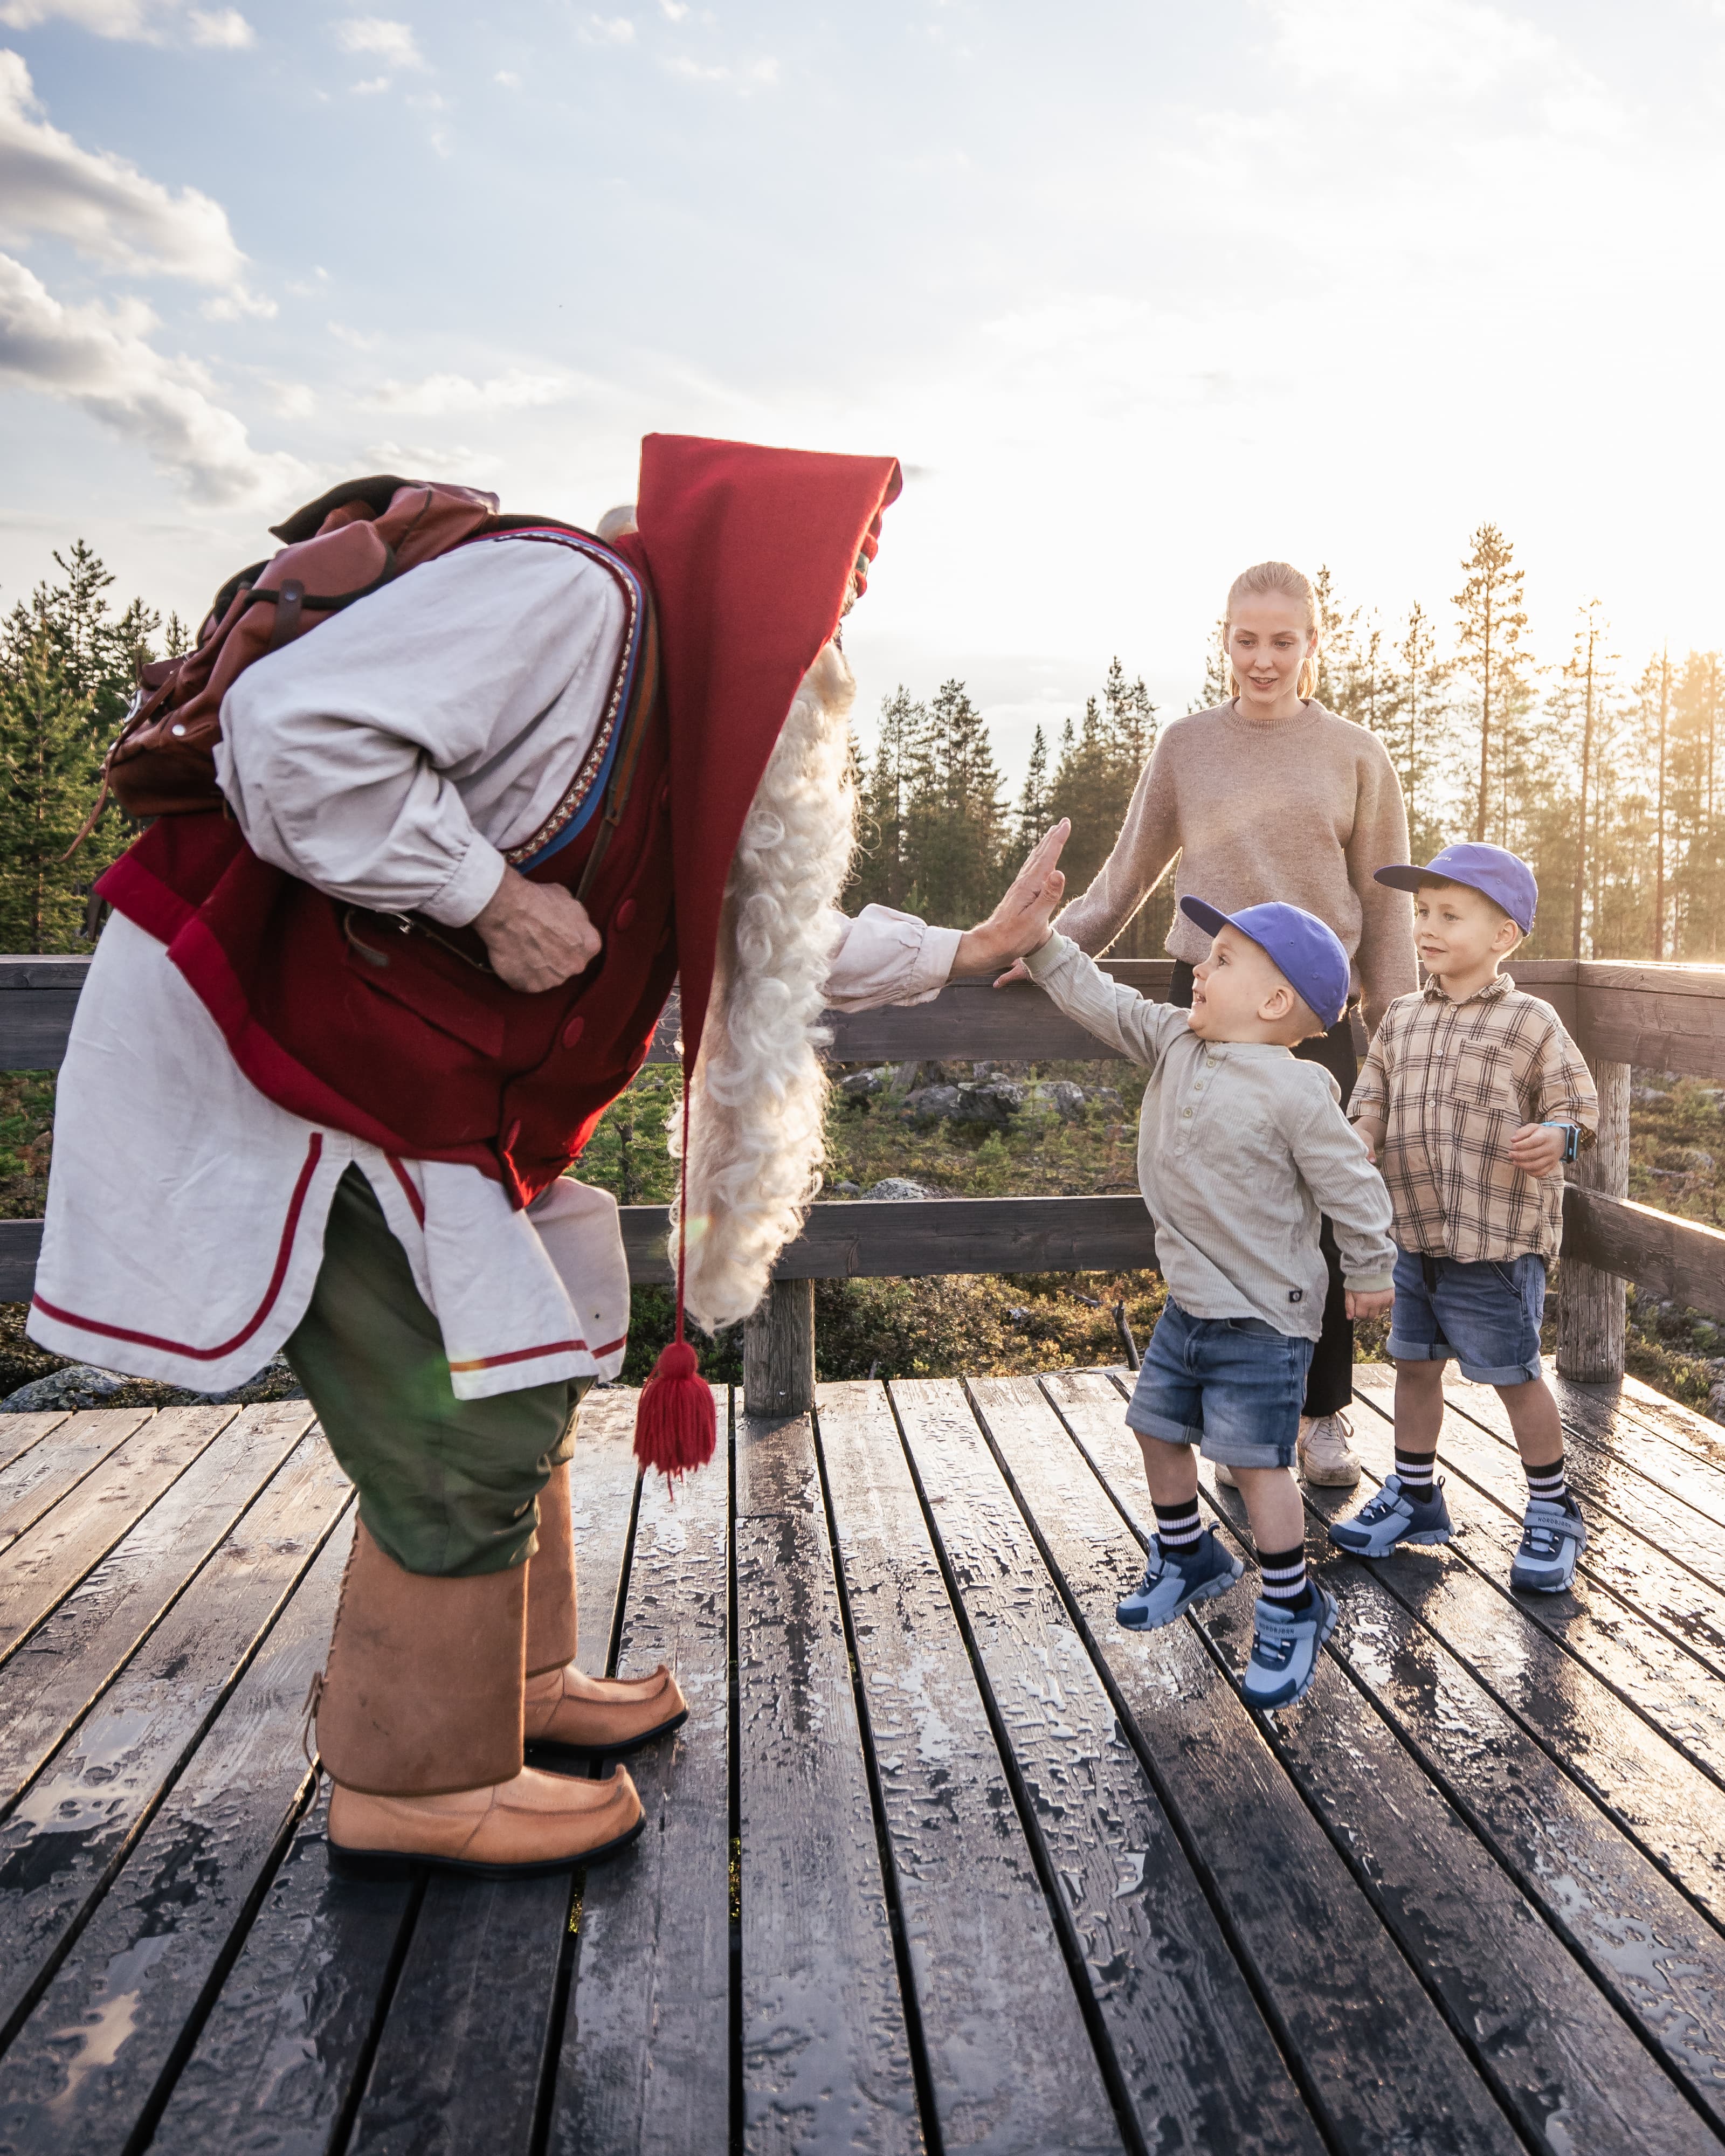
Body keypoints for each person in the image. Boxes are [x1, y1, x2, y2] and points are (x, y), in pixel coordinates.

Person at [30, 439, 988, 1881]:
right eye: (835, 592)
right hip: (279, 1057)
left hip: (398, 1082)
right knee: (463, 1410)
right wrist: (486, 898)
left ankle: (513, 1693)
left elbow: (763, 934)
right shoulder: (579, 602)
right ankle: (414, 1781)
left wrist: (973, 952)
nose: (837, 636)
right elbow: (289, 734)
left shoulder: (686, 709)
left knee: (525, 1356)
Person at [979, 830, 1397, 1708]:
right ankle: (1188, 1553)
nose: (1198, 971)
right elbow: (1100, 999)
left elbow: (1353, 1186)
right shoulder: (1174, 1041)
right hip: (1191, 1304)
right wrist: (1045, 944)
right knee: (1155, 1428)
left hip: (1269, 1316)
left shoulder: (1297, 1090)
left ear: (1277, 998)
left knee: (1256, 1465)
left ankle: (1291, 1604)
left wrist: (1369, 1269)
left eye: (1223, 960)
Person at [1043, 561, 1417, 1491]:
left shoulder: (1358, 755)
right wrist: (1040, 946)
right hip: (1207, 995)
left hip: (1313, 1011)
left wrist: (1402, 1031)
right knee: (1216, 1206)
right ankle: (1234, 1413)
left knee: (1319, 1210)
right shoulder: (1186, 746)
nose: (1262, 659)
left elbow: (1386, 906)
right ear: (1225, 640)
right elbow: (1123, 878)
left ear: (1312, 646)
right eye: (1246, 639)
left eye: (1282, 641)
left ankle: (1322, 1413)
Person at [1328, 844, 1599, 1593]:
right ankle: (1416, 1495)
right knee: (1413, 1367)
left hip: (1496, 1237)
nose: (1427, 926)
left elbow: (1576, 1105)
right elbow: (1372, 1092)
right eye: (1422, 913)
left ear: (1503, 936)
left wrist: (1560, 1138)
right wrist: (1364, 1131)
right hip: (1413, 1233)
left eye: (1450, 914)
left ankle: (1553, 1506)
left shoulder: (1530, 1022)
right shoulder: (1402, 1018)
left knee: (1515, 1376)